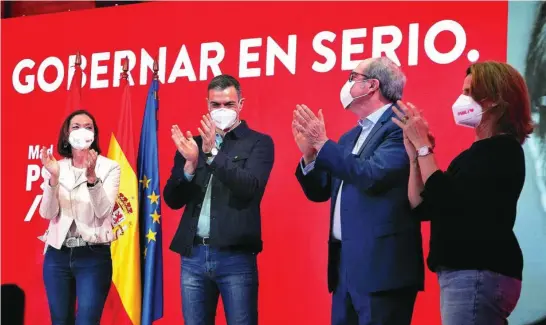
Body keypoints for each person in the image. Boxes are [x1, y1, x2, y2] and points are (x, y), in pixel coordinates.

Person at [391, 61, 534, 325]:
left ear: (493, 101)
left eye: (469, 92)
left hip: (478, 272)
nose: (461, 100)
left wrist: (424, 148)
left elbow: (450, 202)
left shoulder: (503, 151)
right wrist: (415, 156)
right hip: (466, 274)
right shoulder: (472, 155)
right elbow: (423, 206)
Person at [293, 57, 424, 325]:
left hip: (382, 270)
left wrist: (323, 143)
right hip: (345, 267)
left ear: (372, 85)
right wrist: (310, 156)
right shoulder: (350, 137)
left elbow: (373, 176)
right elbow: (321, 191)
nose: (347, 83)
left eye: (352, 77)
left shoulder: (401, 126)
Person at [163, 74, 275, 325]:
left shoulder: (259, 143)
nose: (222, 110)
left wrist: (212, 153)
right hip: (193, 256)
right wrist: (190, 165)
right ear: (207, 105)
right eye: (216, 105)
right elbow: (172, 199)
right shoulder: (191, 144)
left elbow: (250, 188)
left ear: (241, 104)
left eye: (229, 104)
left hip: (235, 257)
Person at [39, 109, 121, 324]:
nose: (82, 131)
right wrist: (53, 179)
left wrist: (92, 178)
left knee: (87, 320)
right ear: (66, 134)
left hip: (93, 255)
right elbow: (47, 213)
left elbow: (103, 211)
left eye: (88, 127)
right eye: (76, 127)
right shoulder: (56, 167)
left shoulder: (110, 167)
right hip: (58, 255)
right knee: (60, 319)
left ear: (94, 134)